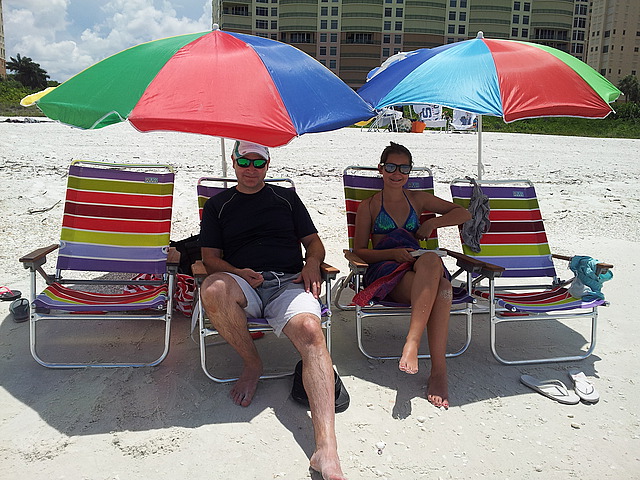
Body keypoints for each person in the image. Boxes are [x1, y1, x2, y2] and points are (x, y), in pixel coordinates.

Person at [199, 141, 346, 480]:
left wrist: (312, 265)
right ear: (233, 162)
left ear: (268, 164)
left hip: (288, 282)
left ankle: (326, 447)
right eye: (243, 162)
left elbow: (314, 243)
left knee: (311, 330)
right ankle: (253, 363)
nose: (250, 169)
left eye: (258, 163)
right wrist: (236, 272)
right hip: (243, 282)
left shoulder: (286, 198)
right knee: (214, 288)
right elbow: (210, 258)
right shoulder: (218, 205)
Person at [352, 142, 471, 409]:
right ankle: (437, 370)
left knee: (431, 260)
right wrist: (392, 254)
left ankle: (414, 343)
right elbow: (359, 251)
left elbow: (464, 212)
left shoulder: (417, 200)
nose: (397, 173)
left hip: (418, 265)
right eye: (391, 167)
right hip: (387, 270)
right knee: (444, 289)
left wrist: (433, 222)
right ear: (381, 169)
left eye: (404, 168)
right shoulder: (369, 206)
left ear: (410, 171)